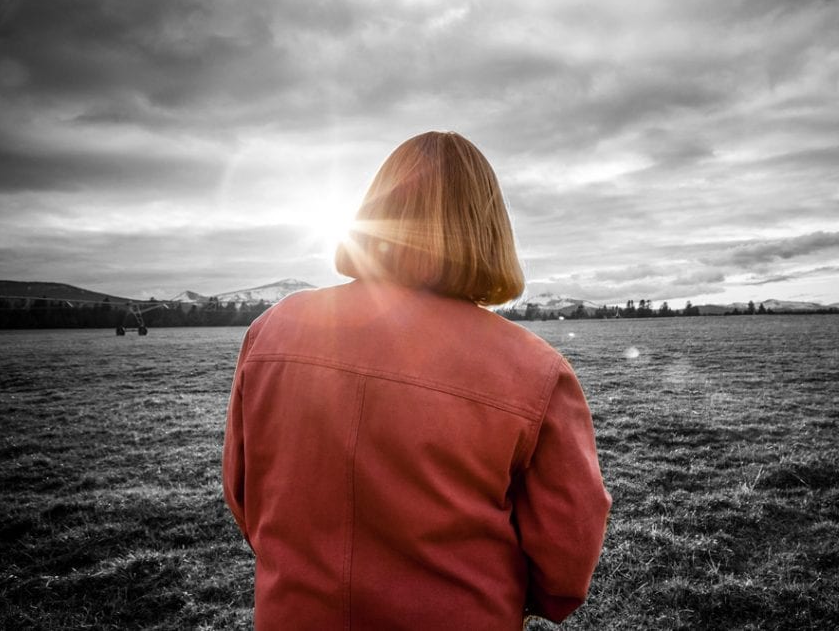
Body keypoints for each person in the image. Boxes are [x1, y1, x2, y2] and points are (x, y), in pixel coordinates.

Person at [223, 131, 611, 630]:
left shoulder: (272, 329)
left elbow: (243, 490)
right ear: (488, 229)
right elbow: (568, 551)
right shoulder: (535, 368)